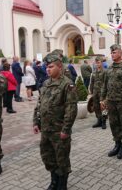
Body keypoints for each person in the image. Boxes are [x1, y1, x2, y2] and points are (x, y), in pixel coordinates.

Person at [33, 53, 77, 190]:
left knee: (61, 159)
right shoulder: (46, 83)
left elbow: (71, 109)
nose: (47, 69)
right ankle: (54, 181)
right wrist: (35, 121)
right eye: (47, 67)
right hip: (46, 129)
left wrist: (66, 129)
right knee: (48, 156)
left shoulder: (67, 84)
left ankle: (62, 185)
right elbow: (39, 104)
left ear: (59, 66)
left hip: (59, 130)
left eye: (51, 67)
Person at [100, 44, 122, 159]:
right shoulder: (109, 68)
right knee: (113, 123)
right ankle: (117, 144)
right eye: (111, 52)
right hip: (111, 101)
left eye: (114, 52)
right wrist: (102, 99)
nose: (112, 54)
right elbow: (104, 85)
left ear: (120, 53)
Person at [89, 56, 107, 129]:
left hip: (102, 92)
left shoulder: (105, 72)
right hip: (95, 92)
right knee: (96, 107)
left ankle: (104, 122)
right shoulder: (93, 72)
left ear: (101, 63)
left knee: (103, 107)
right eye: (96, 63)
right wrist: (91, 91)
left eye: (98, 63)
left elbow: (106, 83)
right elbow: (92, 82)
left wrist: (106, 92)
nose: (97, 64)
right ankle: (99, 120)